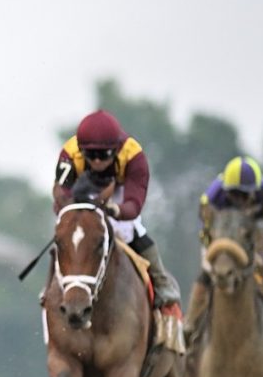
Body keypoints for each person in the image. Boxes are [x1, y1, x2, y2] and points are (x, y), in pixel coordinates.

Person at [52, 110, 182, 320]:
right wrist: (73, 210)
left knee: (132, 231)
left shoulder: (133, 155)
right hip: (81, 195)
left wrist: (116, 210)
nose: (96, 161)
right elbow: (60, 192)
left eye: (103, 155)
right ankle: (51, 291)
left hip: (119, 195)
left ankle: (161, 283)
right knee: (69, 238)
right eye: (90, 155)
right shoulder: (70, 152)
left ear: (116, 149)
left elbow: (134, 204)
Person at [185, 156, 263, 367]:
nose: (239, 200)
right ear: (227, 190)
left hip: (255, 242)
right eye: (234, 194)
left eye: (244, 195)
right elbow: (205, 231)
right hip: (222, 241)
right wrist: (210, 253)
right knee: (206, 276)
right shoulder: (212, 197)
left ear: (254, 191)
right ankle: (190, 326)